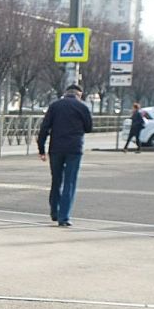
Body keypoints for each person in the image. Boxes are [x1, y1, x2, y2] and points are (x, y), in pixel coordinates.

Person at [36, 84, 92, 227]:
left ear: (66, 93)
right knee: (70, 182)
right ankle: (64, 217)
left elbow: (44, 128)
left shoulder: (55, 106)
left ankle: (54, 211)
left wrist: (41, 150)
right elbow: (89, 128)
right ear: (79, 94)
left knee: (56, 180)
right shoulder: (83, 107)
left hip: (56, 149)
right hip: (74, 149)